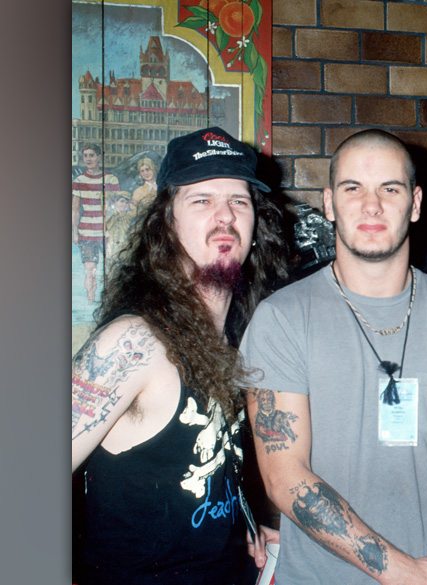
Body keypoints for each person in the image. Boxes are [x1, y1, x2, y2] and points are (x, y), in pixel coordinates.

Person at [238, 130, 427, 585]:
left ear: (415, 204)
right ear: (329, 203)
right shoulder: (280, 318)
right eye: (353, 188)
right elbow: (286, 475)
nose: (372, 205)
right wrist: (406, 574)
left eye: (390, 189)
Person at [71, 127, 287, 584]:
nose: (225, 215)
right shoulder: (134, 343)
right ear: (166, 223)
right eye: (202, 200)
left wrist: (244, 529)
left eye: (239, 200)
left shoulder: (232, 338)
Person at [72, 143, 120, 302]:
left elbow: (116, 207)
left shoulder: (111, 179)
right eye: (85, 156)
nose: (88, 159)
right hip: (86, 232)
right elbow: (75, 209)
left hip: (107, 232)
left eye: (91, 155)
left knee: (111, 269)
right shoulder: (79, 180)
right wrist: (75, 233)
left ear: (99, 157)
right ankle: (90, 301)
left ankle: (110, 302)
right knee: (90, 270)